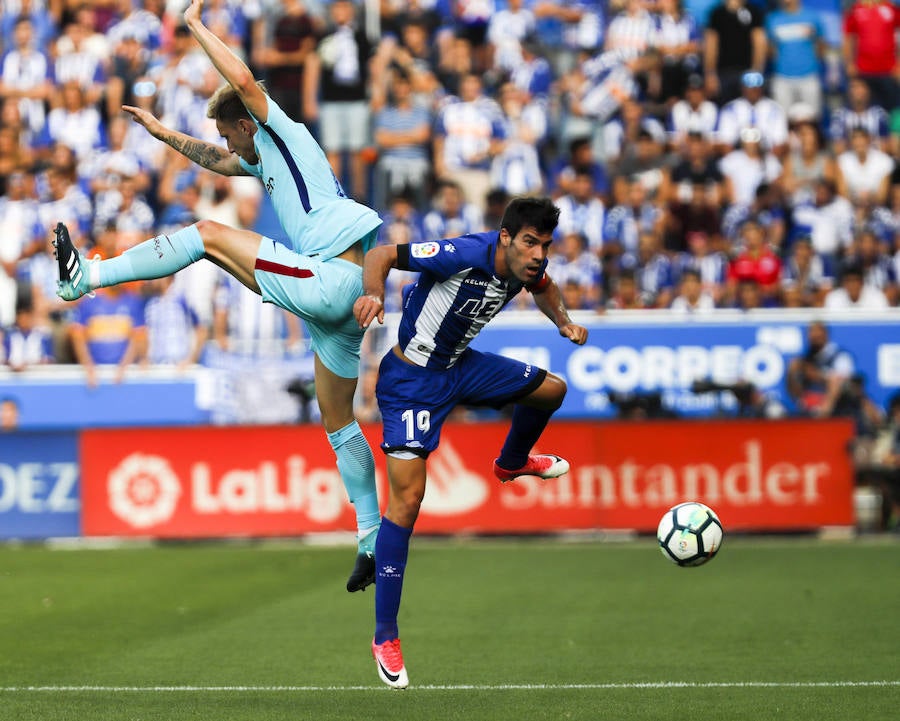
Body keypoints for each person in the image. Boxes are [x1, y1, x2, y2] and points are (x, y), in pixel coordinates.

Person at [52, 0, 383, 593]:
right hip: (340, 297)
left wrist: (195, 26)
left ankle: (88, 279)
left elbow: (244, 84)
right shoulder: (267, 160)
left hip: (332, 277)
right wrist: (162, 134)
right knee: (338, 422)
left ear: (248, 122)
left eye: (227, 128)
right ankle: (369, 537)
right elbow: (221, 163)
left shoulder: (282, 128)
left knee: (206, 235)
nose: (226, 140)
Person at [352, 196, 588, 688]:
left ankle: (511, 463)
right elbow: (380, 256)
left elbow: (545, 287)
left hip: (461, 366)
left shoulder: (527, 268)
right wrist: (373, 293)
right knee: (408, 501)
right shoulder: (462, 253)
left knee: (552, 391)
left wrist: (562, 321)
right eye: (529, 242)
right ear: (505, 238)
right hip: (411, 379)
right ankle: (385, 635)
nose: (538, 255)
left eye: (544, 245)